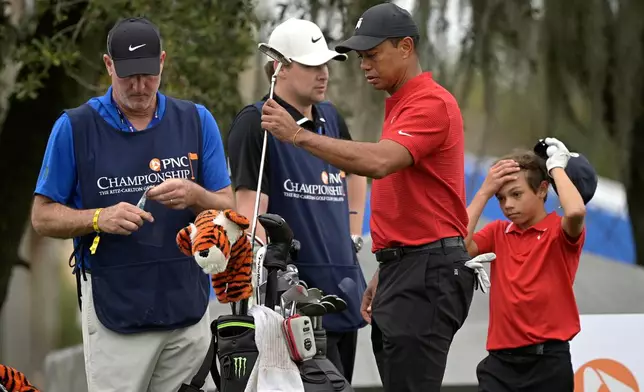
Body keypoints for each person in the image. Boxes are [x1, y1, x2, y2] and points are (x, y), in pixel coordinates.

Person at [259, 3, 477, 391]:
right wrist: (389, 264)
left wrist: (297, 135)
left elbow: (379, 162)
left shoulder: (430, 102)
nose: (364, 65)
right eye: (361, 57)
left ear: (406, 47)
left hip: (428, 270)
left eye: (373, 55)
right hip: (408, 266)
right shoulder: (401, 104)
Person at [30, 17, 234, 392]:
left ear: (162, 62)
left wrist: (195, 196)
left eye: (148, 74)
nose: (140, 86)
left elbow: (226, 206)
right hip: (116, 313)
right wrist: (97, 218)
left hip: (187, 313)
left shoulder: (196, 120)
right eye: (128, 76)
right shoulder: (74, 127)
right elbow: (42, 217)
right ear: (108, 65)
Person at [227, 17, 368, 382]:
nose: (323, 73)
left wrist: (353, 233)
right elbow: (250, 212)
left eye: (325, 64)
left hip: (342, 289)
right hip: (293, 306)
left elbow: (356, 170)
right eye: (310, 65)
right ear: (279, 68)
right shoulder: (256, 121)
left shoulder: (330, 117)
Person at [465, 139, 592, 392]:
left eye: (516, 194)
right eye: (500, 198)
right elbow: (457, 245)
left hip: (548, 363)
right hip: (500, 364)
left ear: (543, 189)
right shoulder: (497, 232)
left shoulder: (559, 231)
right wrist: (483, 192)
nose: (507, 205)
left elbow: (576, 211)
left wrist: (556, 167)